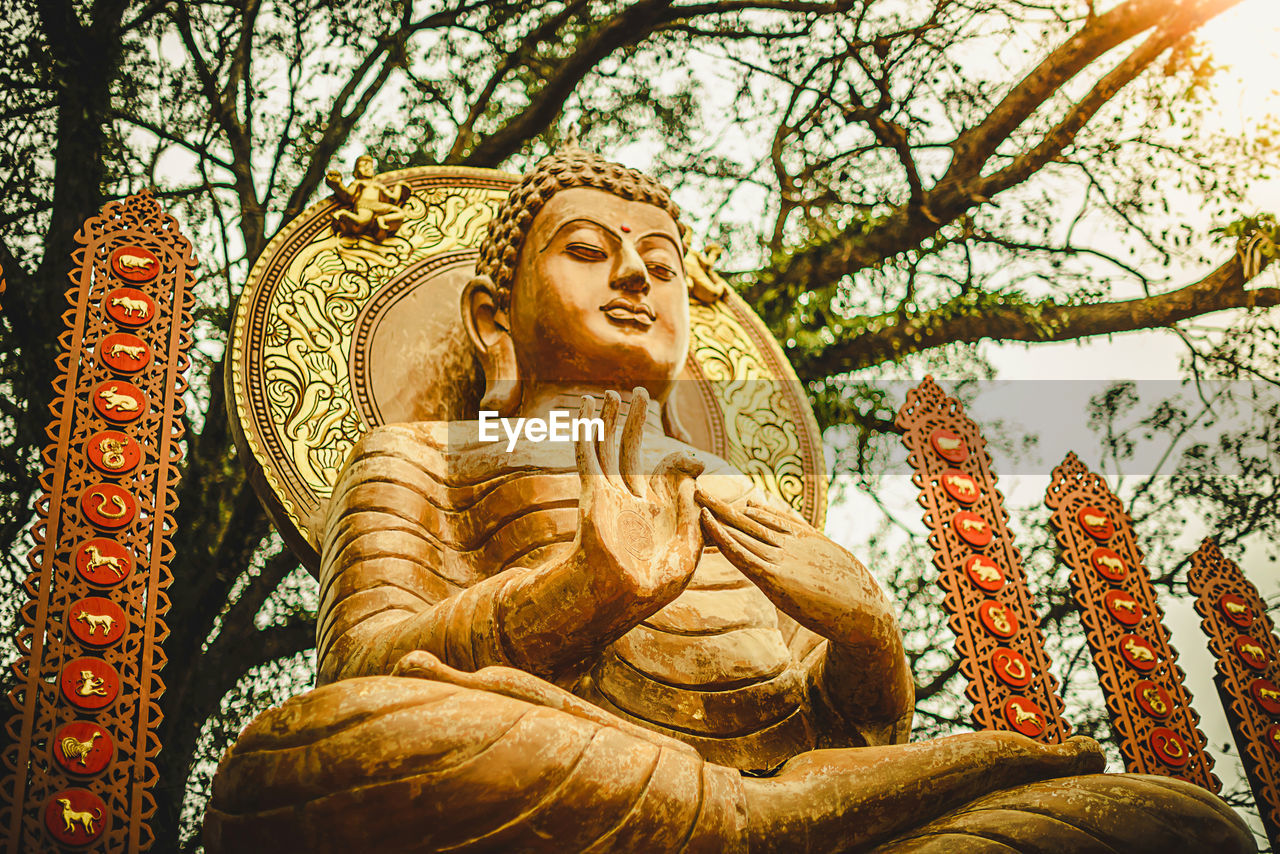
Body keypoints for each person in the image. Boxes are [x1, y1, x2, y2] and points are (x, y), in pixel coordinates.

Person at [206, 147, 1254, 853]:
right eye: (586, 251)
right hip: (566, 763)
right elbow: (360, 669)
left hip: (779, 796)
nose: (633, 277)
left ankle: (765, 819)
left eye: (658, 265)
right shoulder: (420, 452)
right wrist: (573, 594)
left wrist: (861, 635)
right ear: (490, 317)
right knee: (314, 751)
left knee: (1169, 819)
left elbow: (844, 736)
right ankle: (760, 824)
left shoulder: (736, 489)